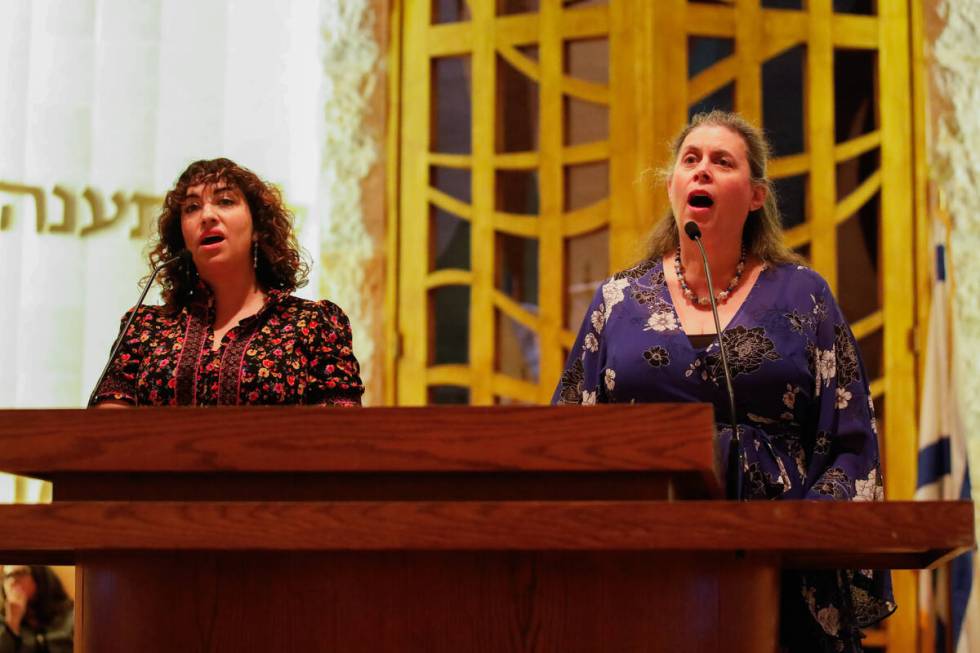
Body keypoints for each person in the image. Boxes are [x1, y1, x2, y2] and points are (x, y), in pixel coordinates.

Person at [553, 111, 894, 651]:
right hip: (640, 569)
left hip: (780, 571)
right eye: (690, 161)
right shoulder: (617, 301)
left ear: (756, 195)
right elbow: (569, 433)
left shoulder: (804, 295)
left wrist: (801, 537)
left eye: (721, 161)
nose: (702, 171)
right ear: (672, 187)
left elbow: (850, 440)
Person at [90, 158, 363, 407]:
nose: (207, 216)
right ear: (182, 237)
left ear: (258, 229)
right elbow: (109, 432)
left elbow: (340, 436)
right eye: (192, 207)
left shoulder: (314, 323)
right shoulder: (144, 327)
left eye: (225, 201)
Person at [0, 565, 73, 653]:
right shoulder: (2, 621)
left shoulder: (70, 615)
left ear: (39, 577)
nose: (12, 581)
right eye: (7, 576)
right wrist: (12, 623)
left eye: (19, 573)